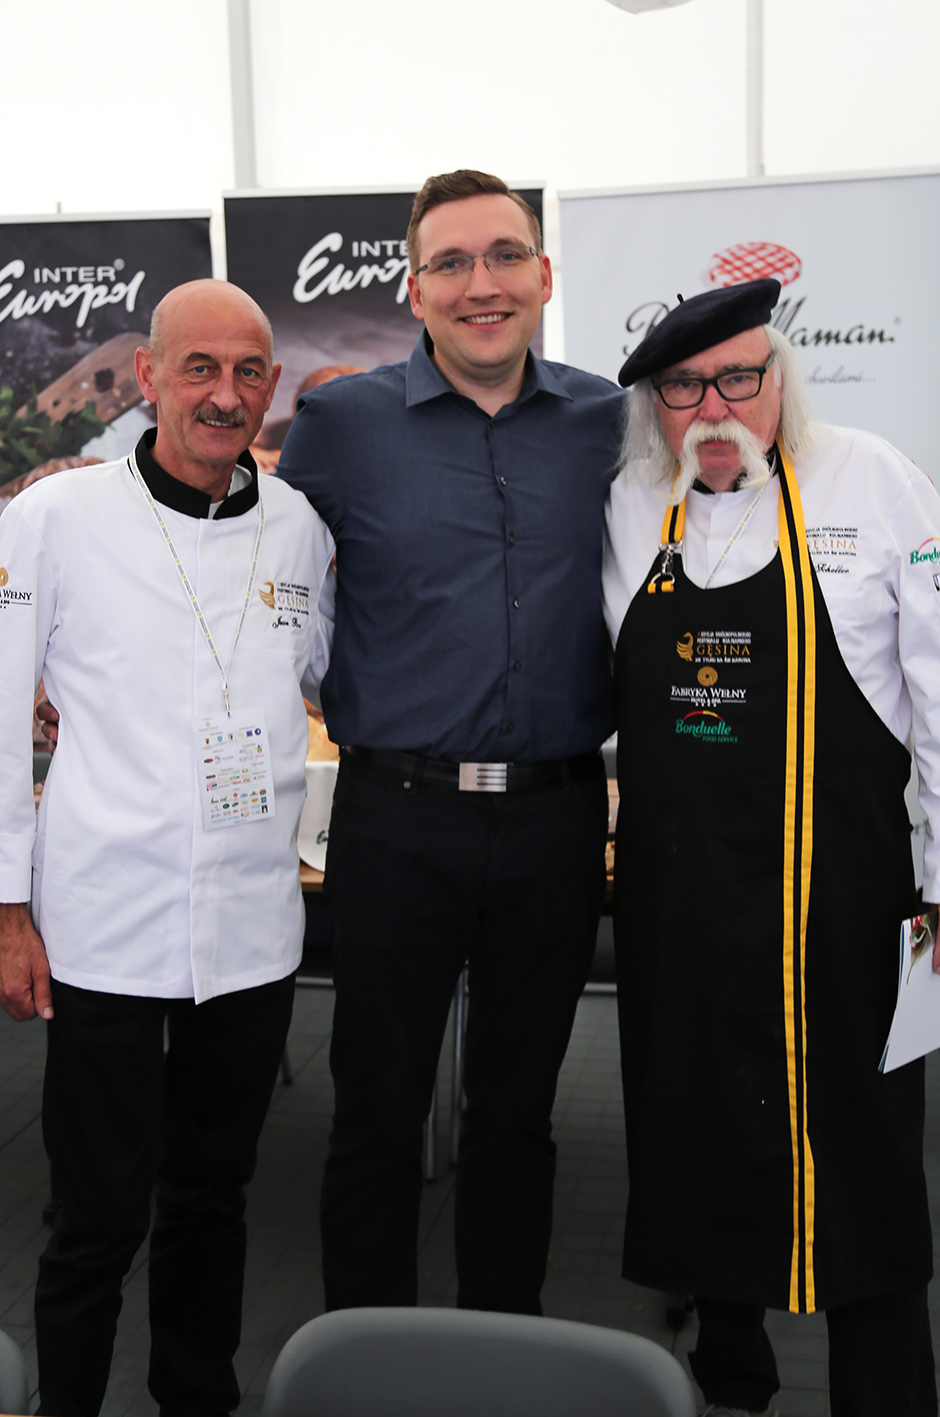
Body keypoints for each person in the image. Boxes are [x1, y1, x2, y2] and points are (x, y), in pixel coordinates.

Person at [277, 169, 625, 1314]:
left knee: (517, 1117)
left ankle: (502, 1352)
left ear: (544, 274)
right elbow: (257, 575)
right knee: (377, 1112)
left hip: (556, 819)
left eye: (505, 255)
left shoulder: (607, 423)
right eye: (453, 262)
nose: (483, 284)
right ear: (415, 286)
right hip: (397, 816)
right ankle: (362, 1361)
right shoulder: (341, 426)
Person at [604, 277, 940, 1417]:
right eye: (683, 386)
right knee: (697, 1146)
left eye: (738, 377)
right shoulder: (630, 509)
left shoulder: (872, 481)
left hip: (844, 904)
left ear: (780, 379)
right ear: (654, 405)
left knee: (867, 1168)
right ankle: (730, 1384)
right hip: (683, 910)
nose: (714, 407)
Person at [0, 279, 335, 1417]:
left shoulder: (300, 528)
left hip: (250, 931)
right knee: (94, 1214)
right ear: (148, 376)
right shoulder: (57, 517)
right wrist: (7, 909)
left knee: (211, 1198)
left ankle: (198, 1398)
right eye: (199, 368)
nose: (224, 394)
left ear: (272, 387)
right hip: (103, 921)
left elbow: (324, 674)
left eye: (248, 373)